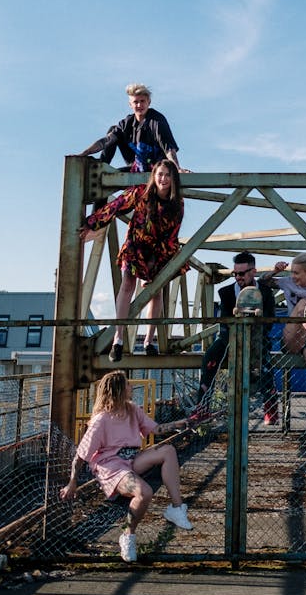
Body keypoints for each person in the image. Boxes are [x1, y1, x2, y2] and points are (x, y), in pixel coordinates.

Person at [59, 370, 193, 563]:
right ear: (118, 390)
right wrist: (72, 483)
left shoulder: (131, 409)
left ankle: (176, 508)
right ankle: (127, 535)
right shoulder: (101, 420)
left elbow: (155, 429)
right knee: (144, 492)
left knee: (168, 451)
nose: (131, 387)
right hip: (111, 466)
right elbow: (80, 456)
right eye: (127, 384)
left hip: (131, 459)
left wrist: (179, 423)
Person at [80, 159, 184, 361]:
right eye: (160, 174)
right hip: (136, 245)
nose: (163, 179)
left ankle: (148, 341)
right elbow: (116, 206)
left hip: (159, 249)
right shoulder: (141, 192)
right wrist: (92, 223)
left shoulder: (177, 203)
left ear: (173, 179)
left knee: (156, 291)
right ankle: (118, 339)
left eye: (168, 175)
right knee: (127, 284)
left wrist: (158, 262)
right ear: (154, 176)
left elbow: (172, 233)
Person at [259, 253, 306, 457]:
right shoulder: (286, 282)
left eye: (296, 273)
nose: (293, 276)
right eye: (291, 272)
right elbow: (263, 282)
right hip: (292, 336)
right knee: (303, 304)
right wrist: (276, 270)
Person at [196, 251, 279, 424]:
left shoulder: (265, 292)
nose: (238, 277)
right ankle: (202, 407)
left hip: (257, 337)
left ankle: (270, 409)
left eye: (241, 273)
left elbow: (270, 321)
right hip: (230, 338)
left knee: (265, 363)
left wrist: (255, 328)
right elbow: (225, 323)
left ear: (253, 272)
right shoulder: (225, 293)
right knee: (210, 358)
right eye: (235, 274)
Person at [80, 83, 186, 172]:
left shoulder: (156, 121)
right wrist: (84, 153)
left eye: (142, 101)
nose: (139, 105)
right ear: (130, 104)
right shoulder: (126, 124)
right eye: (136, 102)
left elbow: (168, 149)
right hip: (136, 167)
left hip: (156, 169)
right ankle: (102, 166)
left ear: (149, 102)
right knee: (113, 131)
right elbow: (105, 141)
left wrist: (177, 169)